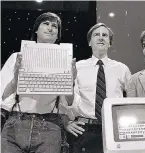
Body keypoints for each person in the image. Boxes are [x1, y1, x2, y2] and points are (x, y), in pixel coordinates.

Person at [1, 12, 76, 153]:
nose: (50, 28)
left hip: (49, 126)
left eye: (55, 26)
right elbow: (4, 96)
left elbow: (70, 102)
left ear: (58, 34)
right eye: (45, 23)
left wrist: (70, 83)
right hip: (16, 125)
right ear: (36, 29)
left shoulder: (65, 60)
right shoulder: (17, 58)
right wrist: (16, 79)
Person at [66, 23, 132, 153]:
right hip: (84, 130)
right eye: (96, 35)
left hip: (115, 130)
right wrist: (67, 122)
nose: (101, 38)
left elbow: (132, 99)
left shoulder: (122, 69)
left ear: (110, 43)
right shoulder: (77, 67)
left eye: (105, 35)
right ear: (90, 42)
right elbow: (66, 100)